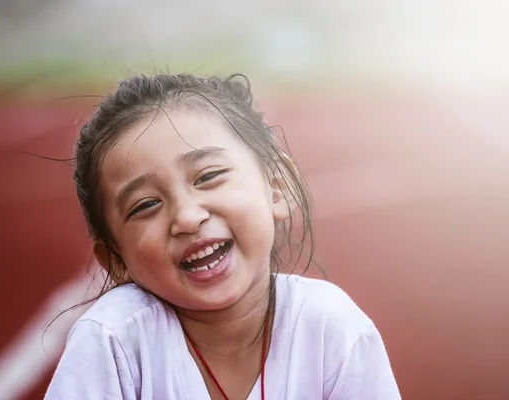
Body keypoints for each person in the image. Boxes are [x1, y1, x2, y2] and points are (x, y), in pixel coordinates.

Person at [44, 73, 401, 399]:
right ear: (116, 260)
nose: (186, 217)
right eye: (146, 204)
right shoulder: (113, 341)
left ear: (276, 188)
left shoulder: (330, 328)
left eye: (208, 176)